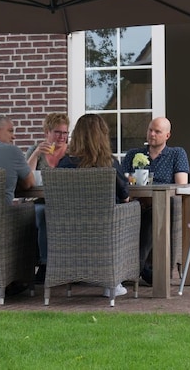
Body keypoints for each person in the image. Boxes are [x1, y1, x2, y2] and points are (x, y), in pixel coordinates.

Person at [56, 113, 131, 298]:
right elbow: (125, 197)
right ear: (102, 135)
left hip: (69, 229)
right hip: (106, 229)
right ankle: (113, 281)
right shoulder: (109, 163)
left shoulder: (64, 164)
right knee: (137, 212)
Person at [122, 116, 189, 285]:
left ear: (167, 135)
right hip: (136, 204)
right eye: (150, 130)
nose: (152, 134)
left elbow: (181, 186)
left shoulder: (176, 154)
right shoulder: (133, 154)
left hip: (164, 205)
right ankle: (143, 269)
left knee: (154, 213)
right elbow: (122, 182)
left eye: (157, 131)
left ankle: (135, 268)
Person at [24, 112, 71, 285]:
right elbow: (25, 178)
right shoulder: (35, 151)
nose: (62, 137)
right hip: (38, 201)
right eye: (57, 132)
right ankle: (45, 265)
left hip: (64, 202)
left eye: (65, 133)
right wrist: (36, 154)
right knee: (43, 213)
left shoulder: (72, 152)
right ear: (47, 132)